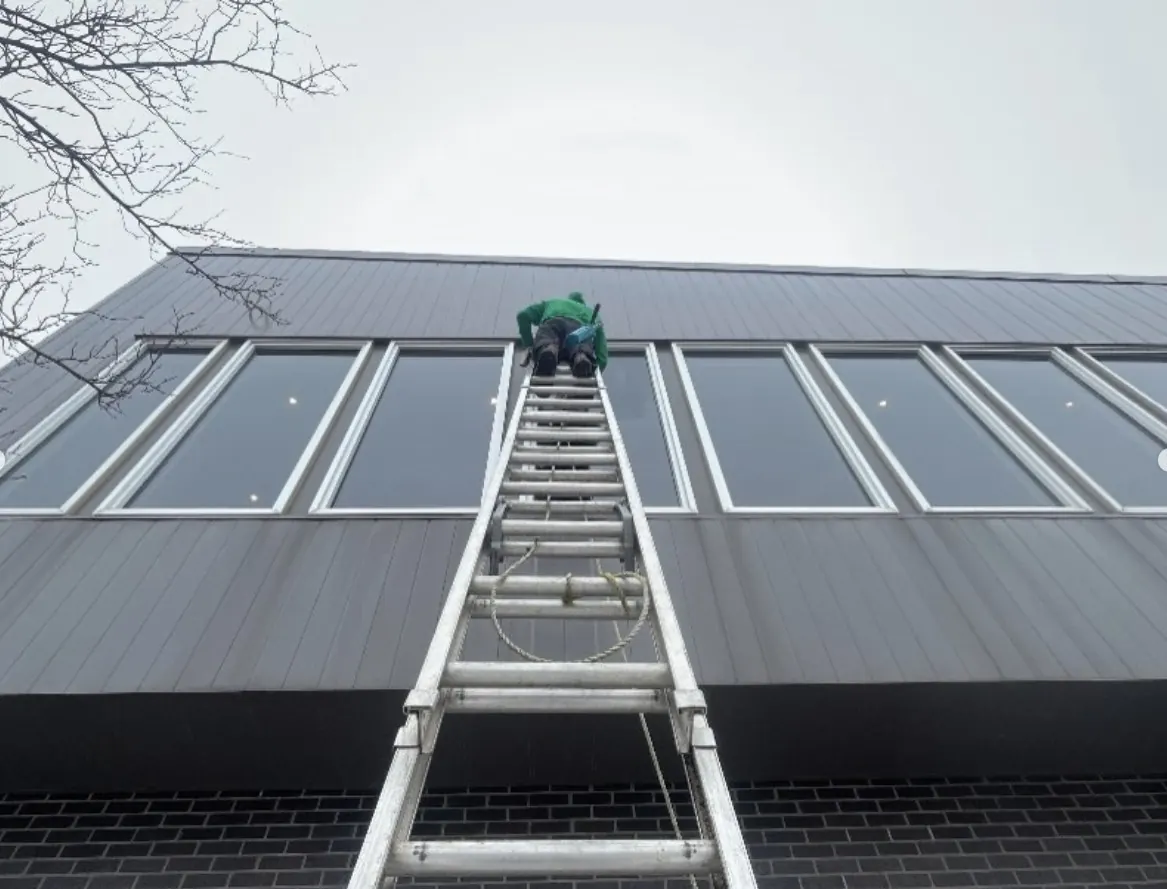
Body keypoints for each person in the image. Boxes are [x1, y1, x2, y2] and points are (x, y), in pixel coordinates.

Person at [517, 292, 609, 379]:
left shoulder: (552, 302)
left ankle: (548, 349)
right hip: (579, 330)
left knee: (548, 341)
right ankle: (581, 357)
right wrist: (595, 372)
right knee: (581, 347)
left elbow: (523, 315)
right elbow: (602, 354)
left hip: (552, 323)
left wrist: (529, 345)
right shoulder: (591, 312)